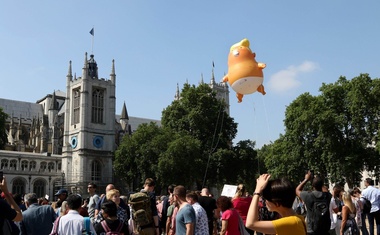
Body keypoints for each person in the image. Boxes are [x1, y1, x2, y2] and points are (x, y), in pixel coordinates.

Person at [296, 171, 331, 235]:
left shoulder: (308, 195)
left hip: (312, 230)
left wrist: (306, 179)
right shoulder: (327, 196)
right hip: (324, 229)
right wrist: (319, 180)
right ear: (322, 185)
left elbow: (297, 190)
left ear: (312, 185)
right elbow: (325, 190)